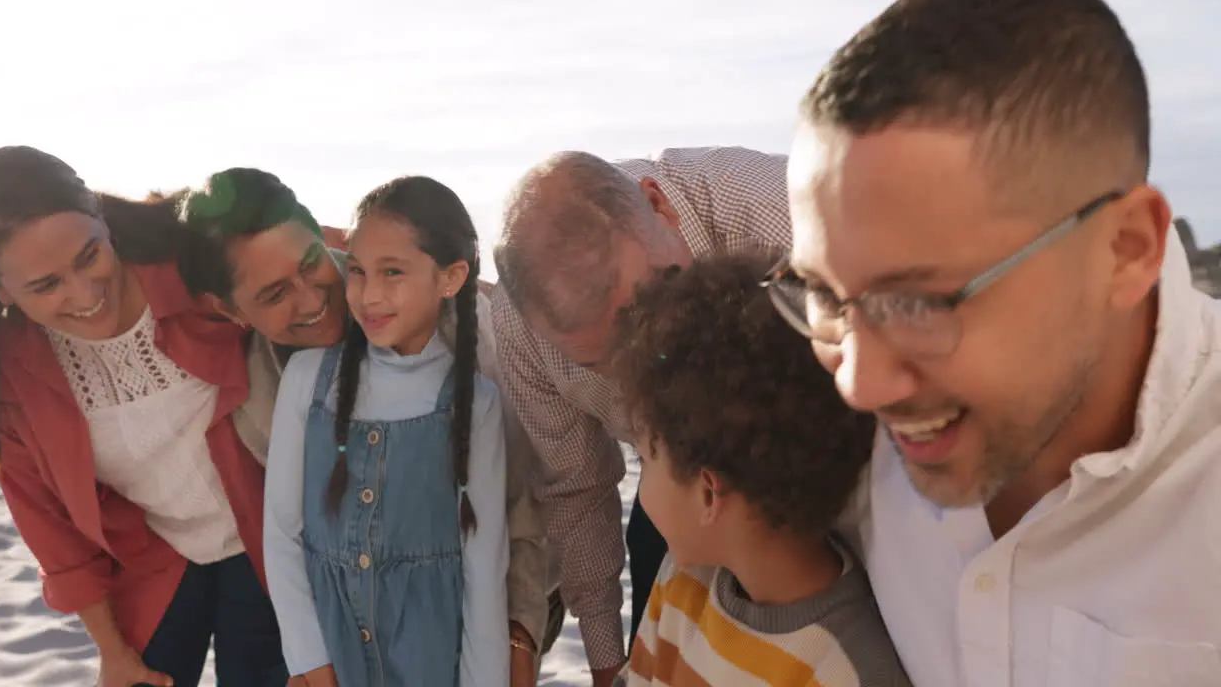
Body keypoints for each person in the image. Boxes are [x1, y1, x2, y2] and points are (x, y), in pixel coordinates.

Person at [776, 0, 1221, 685]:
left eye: (917, 303)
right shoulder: (848, 450)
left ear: (1125, 250)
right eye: (824, 293)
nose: (858, 383)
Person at [176, 168, 549, 684]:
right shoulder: (266, 393)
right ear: (231, 311)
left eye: (312, 263)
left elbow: (516, 519)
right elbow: (289, 535)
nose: (310, 300)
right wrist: (310, 660)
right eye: (274, 294)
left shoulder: (472, 346)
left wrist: (519, 637)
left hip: (468, 629)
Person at [0, 147, 287, 687]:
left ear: (104, 222)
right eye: (45, 285)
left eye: (89, 257)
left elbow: (334, 262)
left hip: (276, 546)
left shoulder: (194, 260)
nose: (85, 294)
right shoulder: (8, 377)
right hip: (155, 561)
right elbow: (51, 533)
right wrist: (112, 651)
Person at [491, 146, 789, 681]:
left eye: (658, 303)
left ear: (660, 205)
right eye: (606, 359)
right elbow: (577, 489)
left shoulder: (783, 210)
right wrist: (608, 664)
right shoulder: (518, 327)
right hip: (674, 506)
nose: (655, 364)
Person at [608, 252, 910, 686]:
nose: (643, 486)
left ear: (709, 492)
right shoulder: (679, 582)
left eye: (645, 459)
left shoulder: (847, 671)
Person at [264, 175, 510, 686]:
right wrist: (310, 663)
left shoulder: (476, 404)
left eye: (392, 271)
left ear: (451, 277)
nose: (369, 295)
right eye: (356, 271)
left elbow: (483, 574)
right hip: (332, 659)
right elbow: (283, 535)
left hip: (433, 663)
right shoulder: (308, 381)